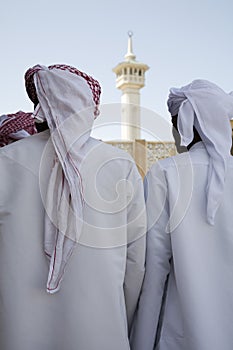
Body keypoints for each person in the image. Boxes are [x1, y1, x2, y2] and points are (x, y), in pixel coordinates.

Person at [0, 64, 146, 350]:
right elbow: (135, 262)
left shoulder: (6, 162)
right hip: (101, 329)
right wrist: (116, 314)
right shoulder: (119, 164)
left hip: (18, 328)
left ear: (40, 105)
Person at [130, 79, 233, 350]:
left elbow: (153, 264)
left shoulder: (166, 173)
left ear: (185, 124)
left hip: (180, 326)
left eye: (174, 122)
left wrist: (141, 336)